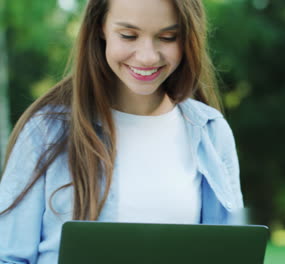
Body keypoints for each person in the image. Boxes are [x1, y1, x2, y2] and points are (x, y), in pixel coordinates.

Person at [0, 0, 244, 263]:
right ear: (100, 28)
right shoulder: (46, 130)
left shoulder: (211, 130)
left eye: (168, 37)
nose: (148, 55)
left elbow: (231, 252)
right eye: (129, 35)